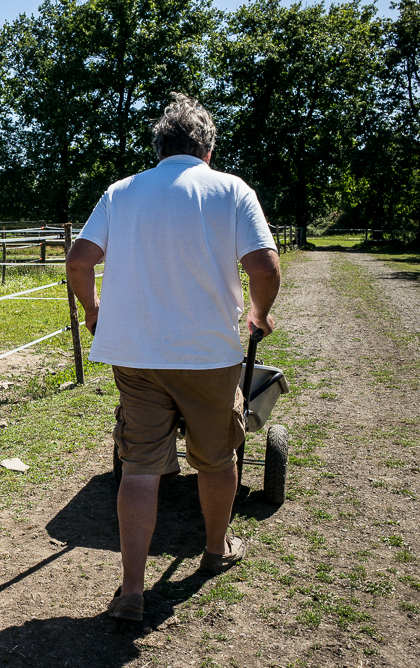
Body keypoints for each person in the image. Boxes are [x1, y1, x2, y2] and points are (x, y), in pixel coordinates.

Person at [66, 93, 281, 622]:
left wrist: (95, 313)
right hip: (209, 355)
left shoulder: (122, 192)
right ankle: (214, 549)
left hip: (137, 356)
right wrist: (257, 313)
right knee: (216, 456)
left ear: (160, 148)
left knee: (139, 466)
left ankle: (132, 589)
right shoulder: (231, 190)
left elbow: (79, 259)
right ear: (207, 150)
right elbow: (265, 266)